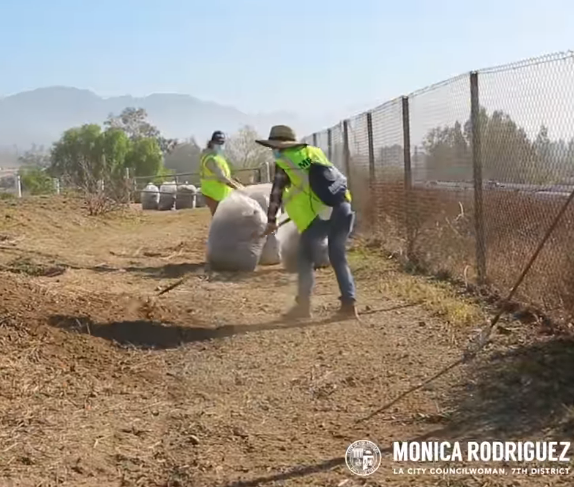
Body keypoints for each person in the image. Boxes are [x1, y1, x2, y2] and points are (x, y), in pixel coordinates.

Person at [256, 125, 358, 320]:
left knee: (303, 258)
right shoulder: (313, 152)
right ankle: (349, 304)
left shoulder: (285, 161)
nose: (273, 151)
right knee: (338, 257)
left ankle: (303, 306)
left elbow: (276, 192)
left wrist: (271, 221)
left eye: (273, 146)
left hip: (320, 215)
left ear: (279, 146)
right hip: (343, 207)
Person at [199, 131, 241, 216]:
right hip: (213, 194)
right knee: (219, 219)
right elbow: (222, 177)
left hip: (221, 194)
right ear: (212, 143)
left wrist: (234, 182)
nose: (221, 146)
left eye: (222, 143)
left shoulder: (218, 157)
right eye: (218, 143)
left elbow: (226, 176)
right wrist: (238, 187)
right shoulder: (210, 159)